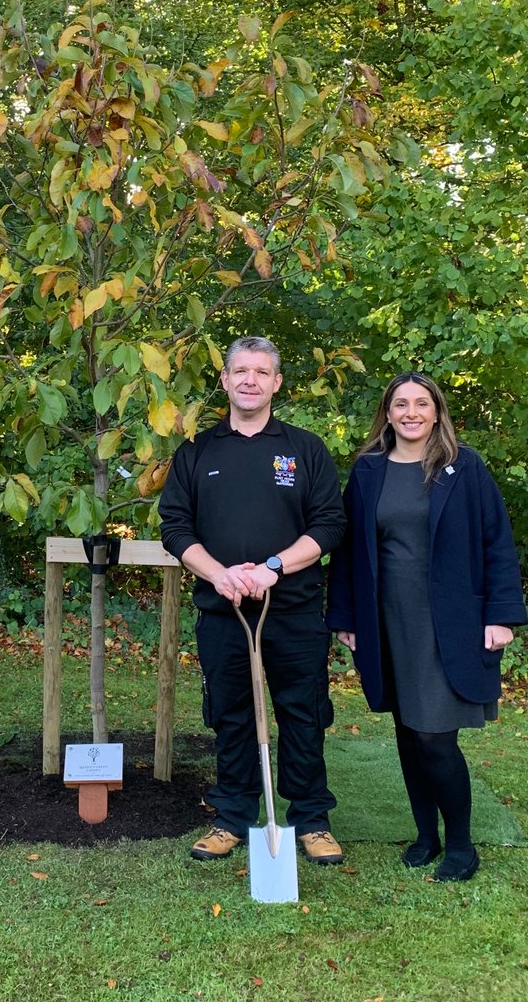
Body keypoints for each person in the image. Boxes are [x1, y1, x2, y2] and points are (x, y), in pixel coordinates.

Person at [326, 371, 527, 881]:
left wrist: (501, 615)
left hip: (449, 623)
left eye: (421, 403)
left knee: (436, 736)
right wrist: (346, 617)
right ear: (387, 414)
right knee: (408, 733)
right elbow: (349, 552)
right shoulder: (369, 470)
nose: (411, 412)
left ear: (437, 411)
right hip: (387, 621)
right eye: (401, 404)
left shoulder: (465, 468)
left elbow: (496, 542)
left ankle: (461, 845)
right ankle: (425, 835)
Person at [159, 336, 347, 864]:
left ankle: (311, 818)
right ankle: (232, 817)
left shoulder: (304, 449)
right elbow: (175, 526)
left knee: (304, 714)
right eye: (240, 370)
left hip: (293, 611)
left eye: (262, 372)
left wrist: (272, 568)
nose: (250, 380)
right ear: (224, 380)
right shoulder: (197, 451)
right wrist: (219, 575)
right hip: (225, 612)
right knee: (232, 714)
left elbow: (330, 525)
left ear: (277, 383)